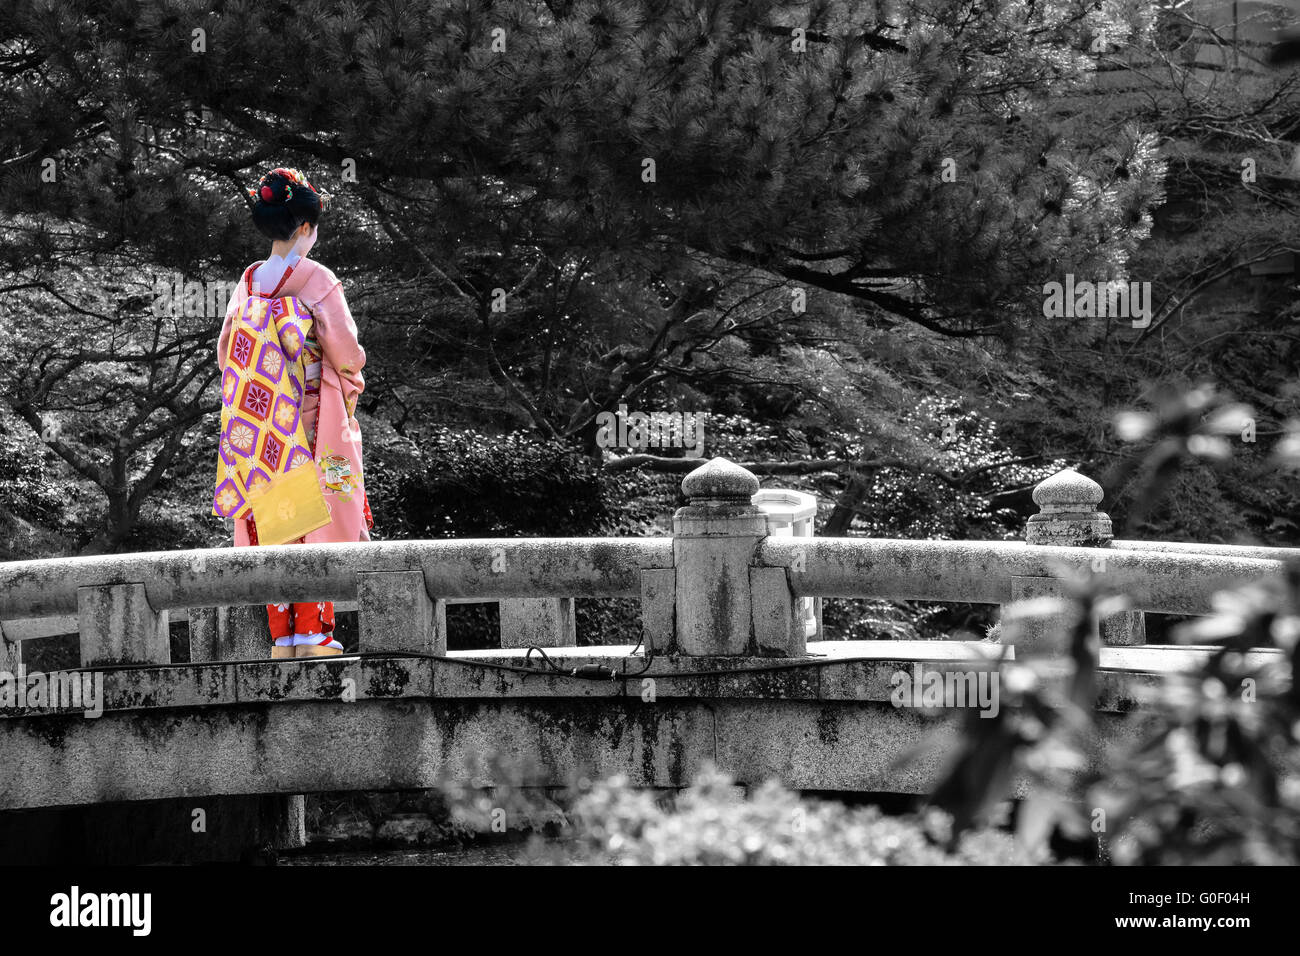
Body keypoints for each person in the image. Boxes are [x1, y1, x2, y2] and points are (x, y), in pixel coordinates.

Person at [213, 167, 373, 659]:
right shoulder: (316, 279)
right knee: (318, 518)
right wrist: (350, 381)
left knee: (277, 518)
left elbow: (226, 353)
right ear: (304, 227)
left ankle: (283, 637)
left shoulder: (248, 283)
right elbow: (345, 349)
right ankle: (314, 635)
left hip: (264, 424)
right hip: (311, 418)